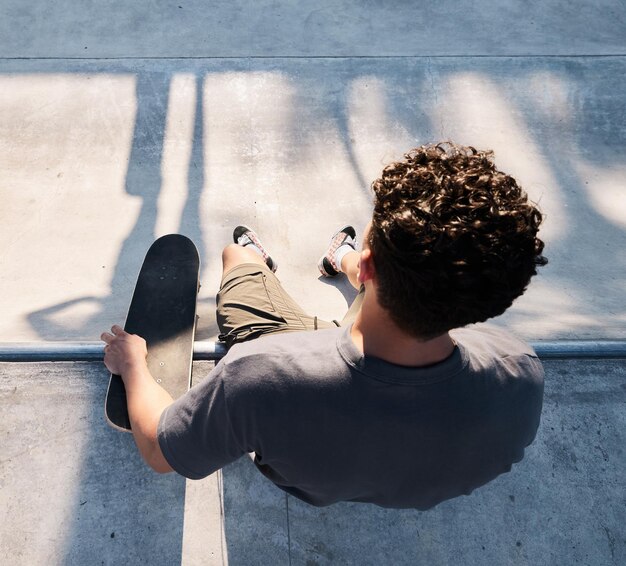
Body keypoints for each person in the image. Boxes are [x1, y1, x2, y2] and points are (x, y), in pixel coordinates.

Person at [101, 142, 547, 509]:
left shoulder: (257, 375)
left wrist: (134, 364)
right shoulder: (519, 372)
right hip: (387, 333)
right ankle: (342, 257)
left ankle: (268, 259)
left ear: (372, 269)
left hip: (292, 361)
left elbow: (160, 452)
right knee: (403, 284)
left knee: (237, 257)